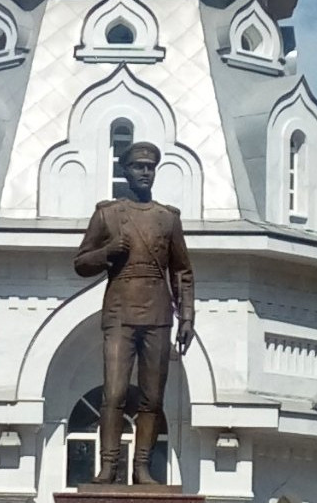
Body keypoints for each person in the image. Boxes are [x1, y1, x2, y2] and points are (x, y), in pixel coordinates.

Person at [74, 142, 195, 485]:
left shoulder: (168, 218)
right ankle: (109, 466)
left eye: (150, 167)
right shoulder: (108, 214)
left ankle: (142, 467)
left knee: (152, 397)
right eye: (139, 166)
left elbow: (182, 270)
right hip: (120, 312)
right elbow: (81, 262)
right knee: (113, 393)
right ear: (125, 171)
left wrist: (187, 317)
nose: (145, 172)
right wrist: (108, 252)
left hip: (158, 313)